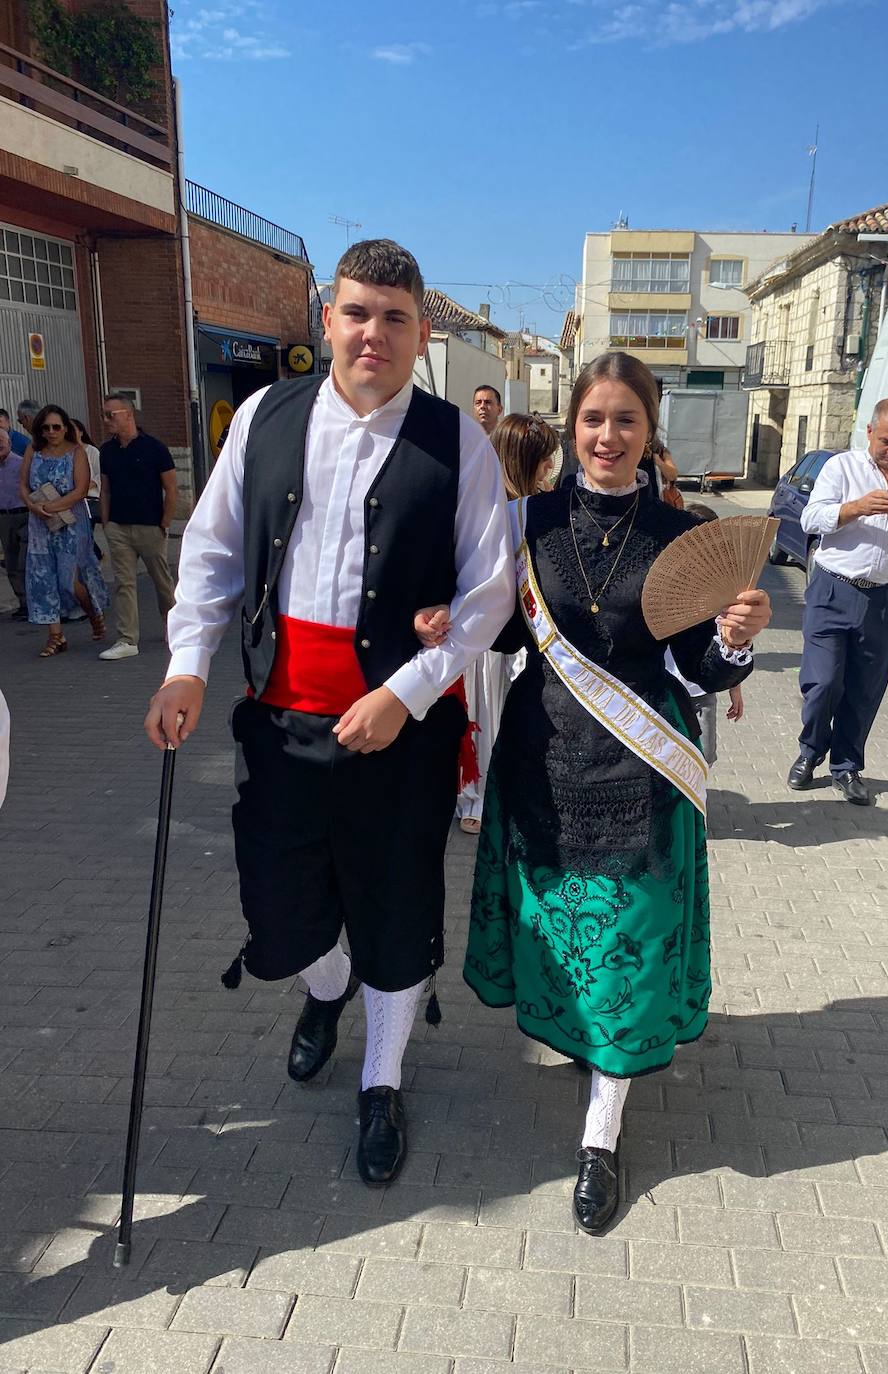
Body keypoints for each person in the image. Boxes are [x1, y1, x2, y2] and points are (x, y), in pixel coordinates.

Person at [144, 239, 514, 1188]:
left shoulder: (456, 438)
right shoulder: (266, 414)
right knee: (283, 913)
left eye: (394, 318)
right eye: (357, 313)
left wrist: (408, 692)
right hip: (279, 724)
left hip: (400, 732)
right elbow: (215, 553)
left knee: (394, 910)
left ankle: (381, 1079)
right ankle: (324, 984)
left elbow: (488, 593)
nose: (372, 334)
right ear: (327, 320)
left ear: (421, 331)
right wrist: (188, 666)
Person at [463, 351, 770, 1233]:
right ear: (572, 426)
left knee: (626, 947)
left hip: (641, 769)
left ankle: (601, 1135)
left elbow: (699, 667)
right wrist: (444, 614)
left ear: (649, 428)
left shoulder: (683, 535)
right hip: (542, 757)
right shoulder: (523, 521)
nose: (607, 436)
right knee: (562, 935)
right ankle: (581, 1050)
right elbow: (498, 642)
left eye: (625, 420)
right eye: (592, 419)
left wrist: (737, 640)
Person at [787, 397, 888, 804]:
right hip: (833, 588)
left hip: (883, 598)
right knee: (823, 682)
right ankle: (810, 751)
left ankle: (846, 766)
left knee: (865, 688)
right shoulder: (841, 467)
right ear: (870, 432)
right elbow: (810, 519)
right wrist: (855, 508)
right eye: (887, 441)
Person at [418, 413, 557, 835]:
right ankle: (475, 795)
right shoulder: (493, 508)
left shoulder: (535, 506)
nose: (551, 468)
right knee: (484, 715)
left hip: (519, 636)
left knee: (500, 716)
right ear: (527, 459)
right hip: (487, 635)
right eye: (545, 460)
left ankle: (491, 791)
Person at [19, 405, 108, 656]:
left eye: (56, 427)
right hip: (40, 524)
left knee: (69, 580)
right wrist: (33, 506)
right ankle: (56, 636)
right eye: (46, 427)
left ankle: (92, 612)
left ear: (65, 428)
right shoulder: (33, 450)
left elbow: (80, 490)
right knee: (43, 578)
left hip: (70, 522)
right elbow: (23, 485)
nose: (51, 432)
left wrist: (51, 506)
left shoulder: (76, 452)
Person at [98, 394, 178, 661]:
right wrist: (107, 522)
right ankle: (127, 638)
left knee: (161, 581)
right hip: (119, 526)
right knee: (124, 583)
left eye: (111, 414)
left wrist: (165, 522)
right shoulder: (107, 451)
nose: (106, 420)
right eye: (104, 415)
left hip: (150, 526)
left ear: (128, 414)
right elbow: (105, 489)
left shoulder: (155, 448)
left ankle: (173, 624)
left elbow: (171, 488)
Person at [667, 503, 745, 764]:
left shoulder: (721, 589)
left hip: (702, 690)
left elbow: (728, 637)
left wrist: (734, 684)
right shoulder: (665, 585)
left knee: (706, 755)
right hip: (667, 689)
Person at [0, 427, 29, 620]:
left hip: (24, 516)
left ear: (9, 442)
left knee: (24, 562)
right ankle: (22, 604)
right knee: (10, 562)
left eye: (0, 441)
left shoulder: (21, 464)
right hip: (3, 518)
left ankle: (31, 603)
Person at [70, 418, 103, 561]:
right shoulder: (66, 453)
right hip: (71, 500)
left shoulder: (92, 451)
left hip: (89, 499)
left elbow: (100, 474)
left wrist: (84, 486)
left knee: (84, 532)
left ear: (81, 432)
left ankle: (96, 555)